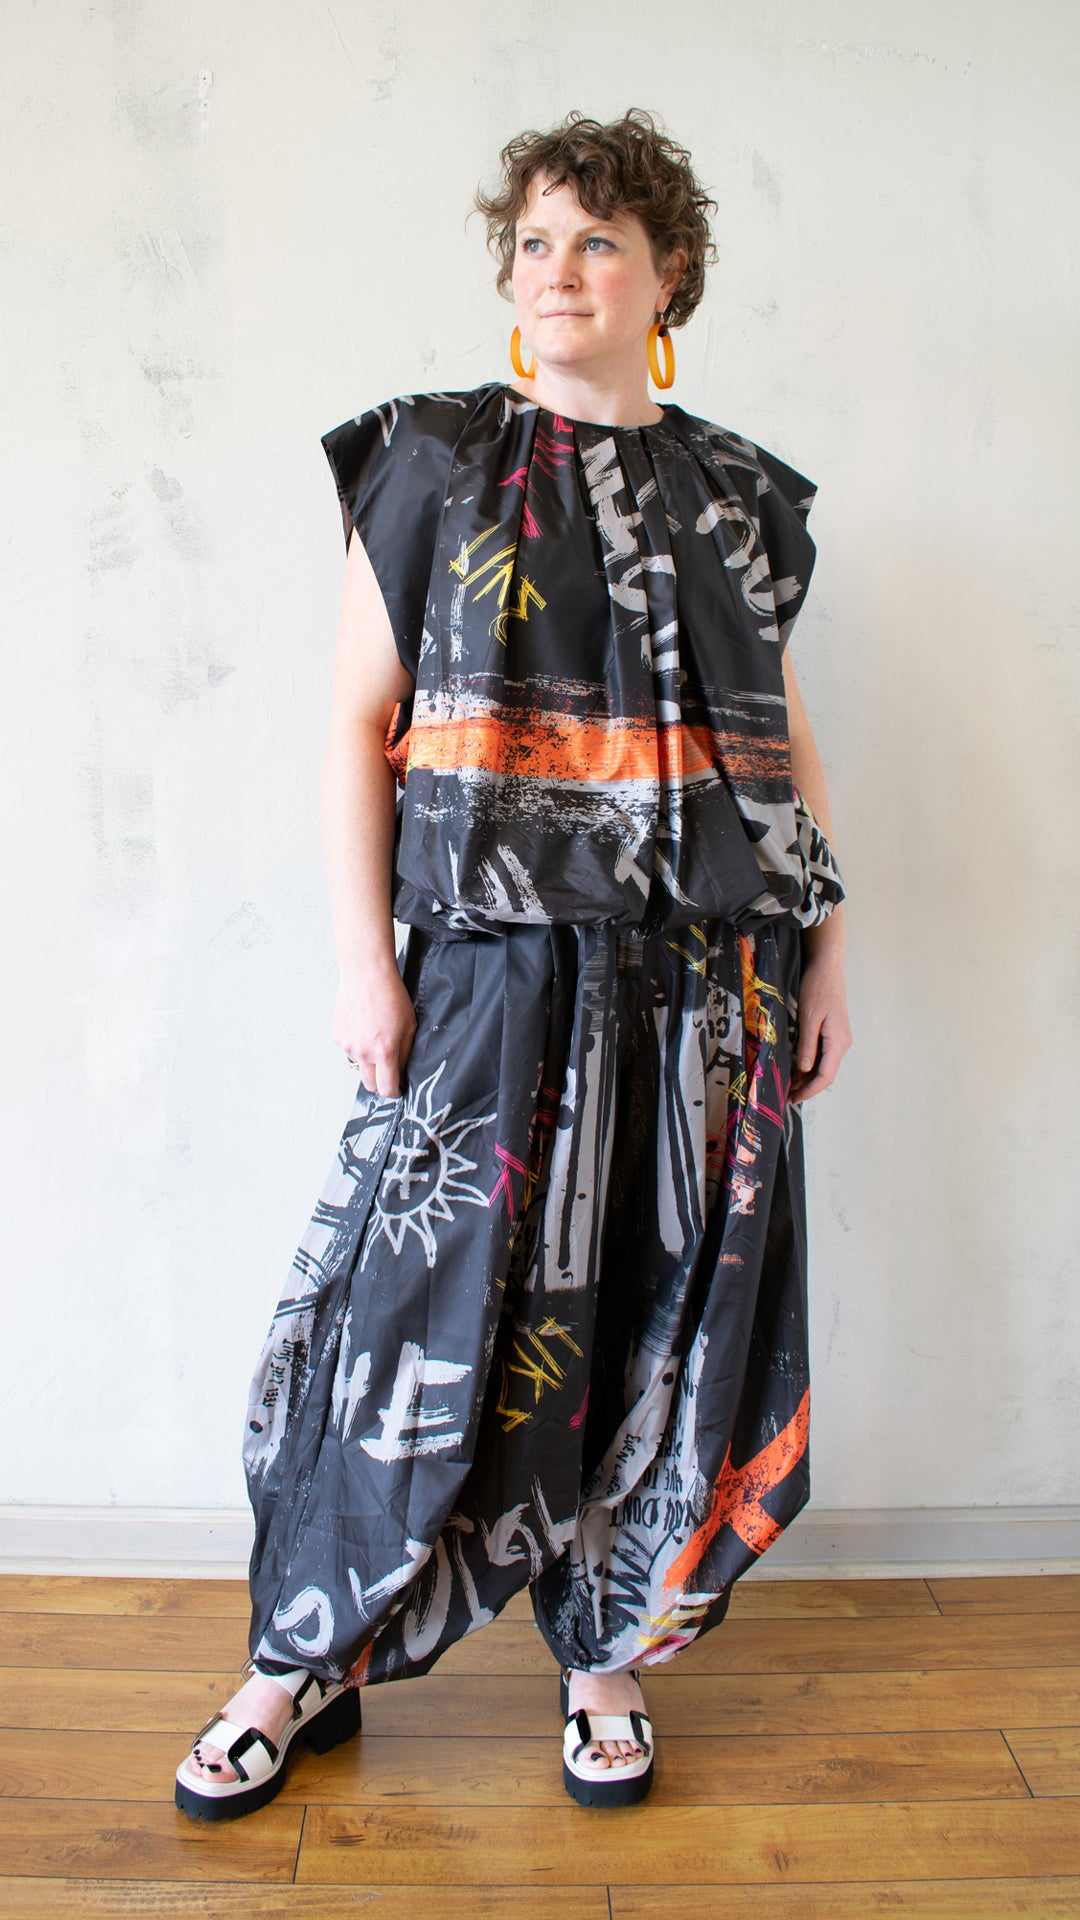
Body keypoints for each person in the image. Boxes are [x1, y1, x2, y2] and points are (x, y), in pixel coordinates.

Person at [175, 106, 852, 1822]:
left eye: (599, 240)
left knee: (647, 1314)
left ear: (668, 274)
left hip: (704, 987)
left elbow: (782, 752)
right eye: (537, 241)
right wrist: (365, 963)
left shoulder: (739, 497)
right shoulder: (433, 459)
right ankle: (298, 1658)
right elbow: (357, 722)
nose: (561, 269)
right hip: (490, 969)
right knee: (402, 1311)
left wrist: (828, 955)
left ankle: (600, 1655)